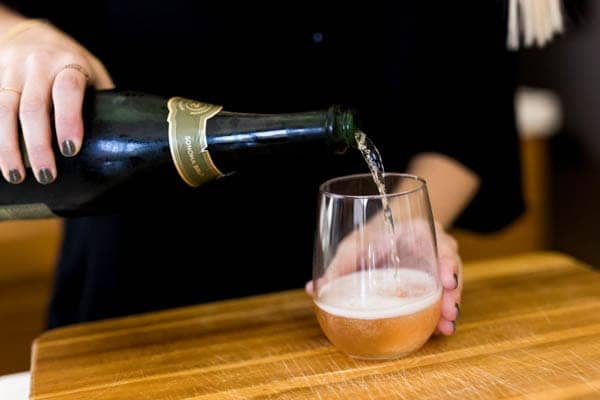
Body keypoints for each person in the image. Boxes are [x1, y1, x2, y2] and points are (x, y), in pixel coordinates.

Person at [0, 1, 524, 336]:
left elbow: (469, 110)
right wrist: (21, 35)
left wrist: (405, 226)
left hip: (350, 302)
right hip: (139, 313)